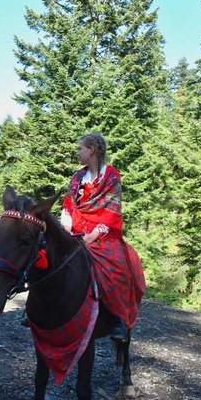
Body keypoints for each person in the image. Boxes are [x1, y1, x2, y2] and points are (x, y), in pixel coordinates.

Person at [61, 132, 146, 341]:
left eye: (80, 148)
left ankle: (119, 319)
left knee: (117, 266)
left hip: (102, 232)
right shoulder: (77, 177)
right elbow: (69, 203)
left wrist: (92, 235)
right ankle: (38, 309)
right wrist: (66, 225)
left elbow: (112, 210)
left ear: (91, 150)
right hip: (75, 229)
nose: (77, 152)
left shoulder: (111, 176)